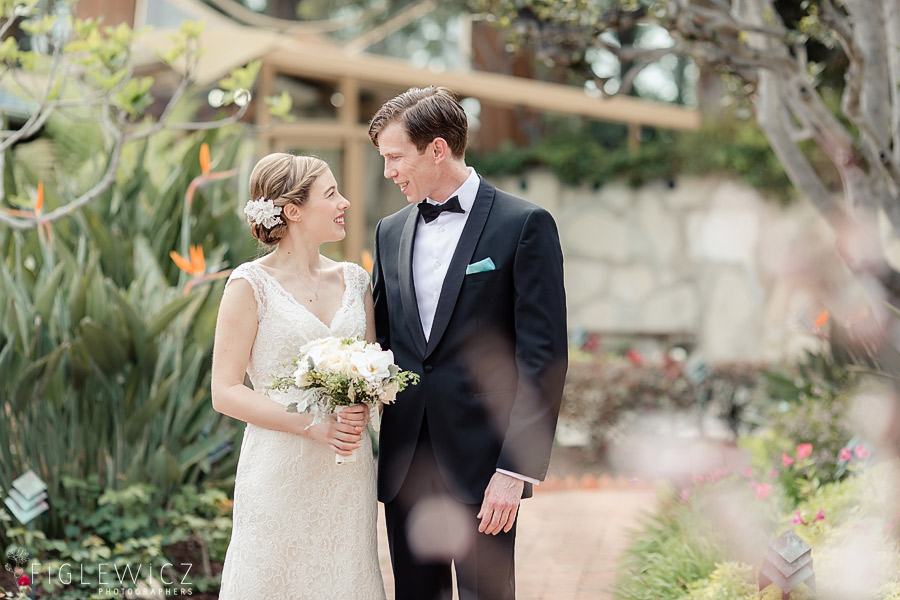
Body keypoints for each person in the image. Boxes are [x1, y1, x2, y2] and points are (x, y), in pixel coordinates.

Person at [369, 86, 568, 600]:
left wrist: (514, 469)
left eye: (395, 158)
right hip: (406, 460)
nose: (389, 172)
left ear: (437, 149)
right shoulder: (388, 232)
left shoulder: (524, 225)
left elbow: (542, 357)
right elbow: (387, 343)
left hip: (486, 463)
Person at [211, 153, 385, 599]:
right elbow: (225, 392)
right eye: (331, 194)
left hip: (346, 468)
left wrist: (362, 404)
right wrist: (312, 425)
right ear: (293, 211)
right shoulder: (250, 285)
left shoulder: (355, 281)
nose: (344, 202)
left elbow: (372, 369)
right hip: (280, 466)